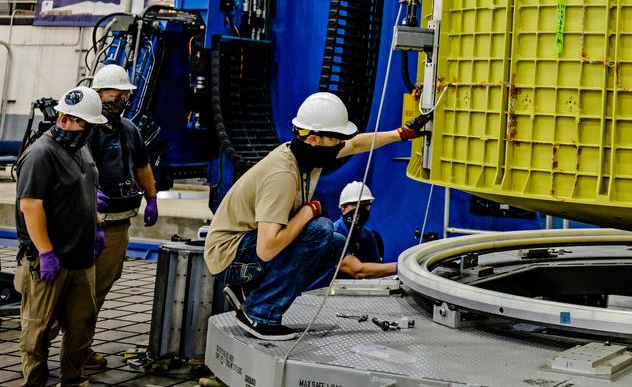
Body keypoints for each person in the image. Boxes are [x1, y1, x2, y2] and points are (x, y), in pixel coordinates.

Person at [203, 92, 430, 340]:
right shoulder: (283, 175)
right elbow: (266, 249)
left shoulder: (308, 154)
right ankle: (259, 314)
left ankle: (254, 292)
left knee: (334, 244)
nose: (340, 144)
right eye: (336, 138)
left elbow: (355, 144)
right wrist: (307, 213)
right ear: (314, 138)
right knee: (320, 228)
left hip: (243, 248)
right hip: (230, 257)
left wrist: (401, 134)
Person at [15, 87, 107, 387]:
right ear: (64, 119)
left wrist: (97, 225)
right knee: (37, 328)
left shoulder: (80, 147)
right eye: (85, 125)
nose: (89, 131)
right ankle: (35, 381)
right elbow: (30, 206)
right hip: (50, 262)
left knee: (81, 325)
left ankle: (73, 379)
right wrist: (45, 253)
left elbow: (87, 188)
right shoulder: (40, 154)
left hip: (82, 259)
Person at [83, 64, 159, 371]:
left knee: (101, 286)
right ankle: (52, 348)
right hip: (87, 221)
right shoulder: (85, 128)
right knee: (76, 289)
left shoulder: (129, 129)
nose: (119, 99)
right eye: (113, 93)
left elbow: (142, 165)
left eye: (123, 94)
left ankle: (80, 348)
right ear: (98, 93)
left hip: (118, 220)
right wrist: (87, 198)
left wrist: (152, 198)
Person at [333, 181, 397, 280]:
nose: (361, 211)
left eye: (366, 206)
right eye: (356, 205)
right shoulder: (334, 235)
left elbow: (377, 270)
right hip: (329, 292)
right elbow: (357, 271)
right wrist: (399, 267)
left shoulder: (368, 236)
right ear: (343, 208)